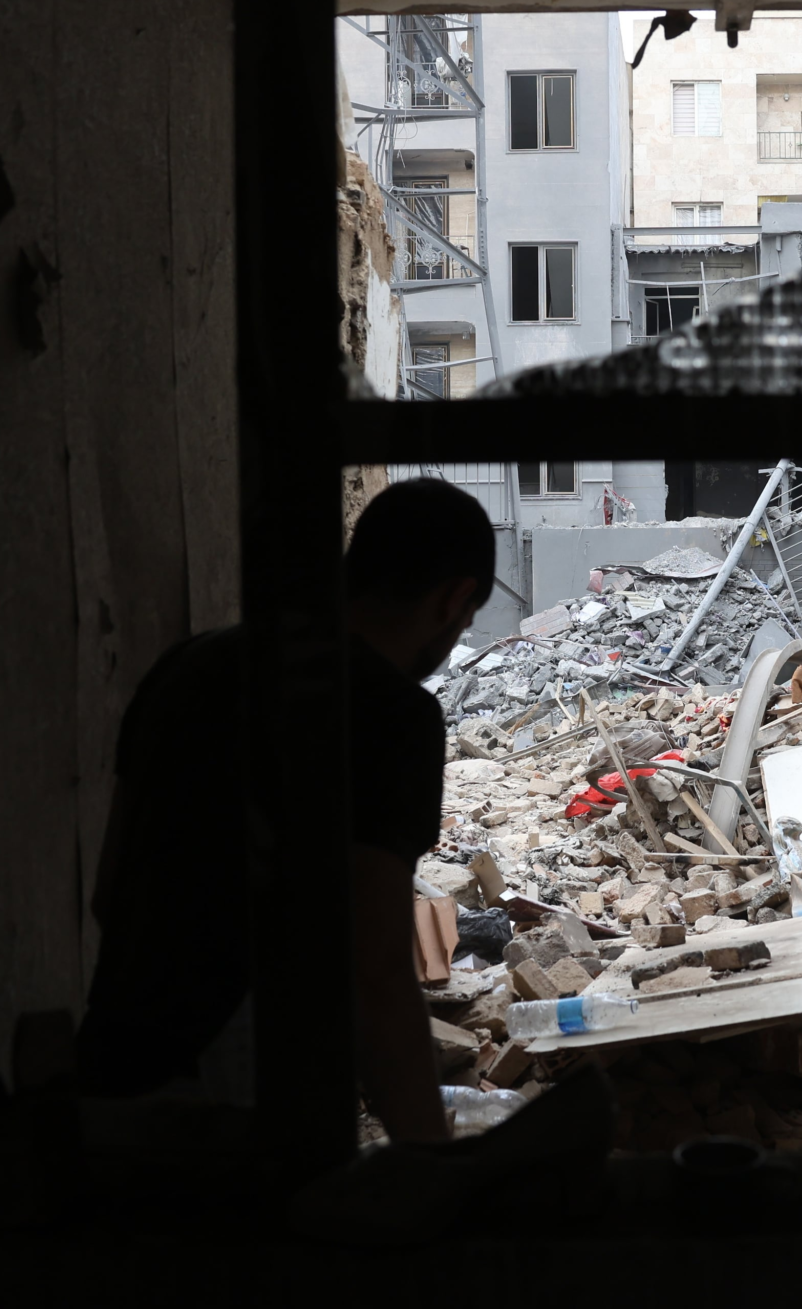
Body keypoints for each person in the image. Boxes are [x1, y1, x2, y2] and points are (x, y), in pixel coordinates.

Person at [75, 478, 493, 1146]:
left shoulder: (186, 666)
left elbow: (108, 894)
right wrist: (428, 1164)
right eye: (464, 622)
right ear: (452, 599)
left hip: (111, 1072)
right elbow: (376, 971)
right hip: (242, 1115)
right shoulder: (390, 714)